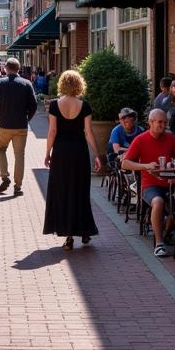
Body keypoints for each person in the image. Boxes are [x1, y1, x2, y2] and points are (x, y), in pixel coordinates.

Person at [43, 69, 100, 249]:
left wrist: (47, 152)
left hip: (61, 152)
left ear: (62, 84)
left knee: (63, 191)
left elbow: (52, 131)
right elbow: (88, 132)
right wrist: (97, 154)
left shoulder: (54, 106)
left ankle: (68, 235)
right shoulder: (85, 106)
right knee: (80, 191)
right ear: (78, 85)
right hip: (79, 152)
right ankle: (84, 231)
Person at [122, 109, 175, 257]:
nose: (163, 125)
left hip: (170, 183)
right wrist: (145, 166)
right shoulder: (141, 139)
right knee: (158, 202)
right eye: (160, 122)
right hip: (150, 186)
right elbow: (125, 164)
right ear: (150, 123)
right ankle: (159, 243)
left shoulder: (171, 138)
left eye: (165, 122)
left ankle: (166, 232)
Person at [0, 57, 39, 197]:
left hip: (4, 125)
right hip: (21, 125)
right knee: (19, 156)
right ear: (18, 68)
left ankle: (5, 176)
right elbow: (34, 105)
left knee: (0, 149)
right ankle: (18, 186)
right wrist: (28, 118)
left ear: (6, 68)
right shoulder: (26, 84)